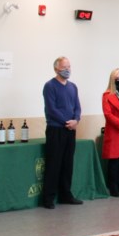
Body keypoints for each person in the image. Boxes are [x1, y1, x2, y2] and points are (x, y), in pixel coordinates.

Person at [42, 56, 82, 209]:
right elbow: (52, 110)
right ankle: (48, 198)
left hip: (70, 130)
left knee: (67, 163)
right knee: (54, 163)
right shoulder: (49, 86)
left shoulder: (73, 87)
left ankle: (66, 194)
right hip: (56, 129)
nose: (68, 70)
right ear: (56, 69)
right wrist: (68, 122)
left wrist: (76, 120)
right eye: (64, 67)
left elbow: (77, 107)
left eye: (69, 67)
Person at [102, 68, 119, 197]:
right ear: (113, 80)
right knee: (114, 162)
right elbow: (108, 114)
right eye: (118, 78)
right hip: (115, 132)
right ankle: (113, 187)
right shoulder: (107, 95)